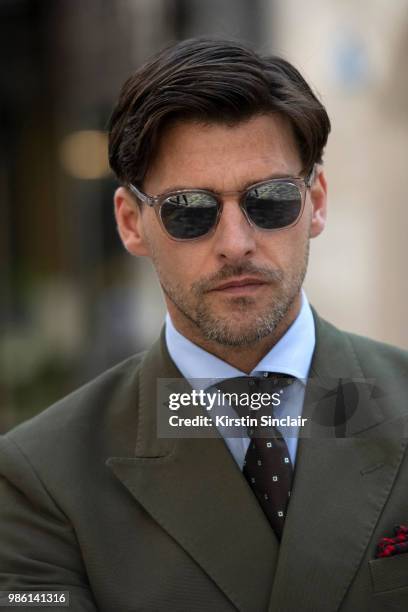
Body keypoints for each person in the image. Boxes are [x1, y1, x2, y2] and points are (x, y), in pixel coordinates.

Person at [0, 38, 407, 612]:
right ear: (131, 223)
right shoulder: (43, 479)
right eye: (190, 210)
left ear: (315, 201)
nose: (236, 245)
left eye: (269, 200)